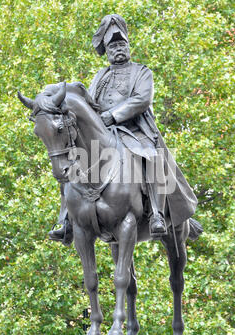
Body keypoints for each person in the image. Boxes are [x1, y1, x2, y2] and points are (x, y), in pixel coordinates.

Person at [49, 14, 197, 245]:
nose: (118, 49)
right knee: (74, 161)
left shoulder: (141, 71)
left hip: (136, 130)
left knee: (152, 155)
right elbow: (91, 103)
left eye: (121, 44)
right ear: (106, 51)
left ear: (128, 46)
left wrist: (112, 115)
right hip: (105, 133)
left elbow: (141, 100)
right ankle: (66, 219)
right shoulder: (101, 76)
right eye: (113, 46)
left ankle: (157, 214)